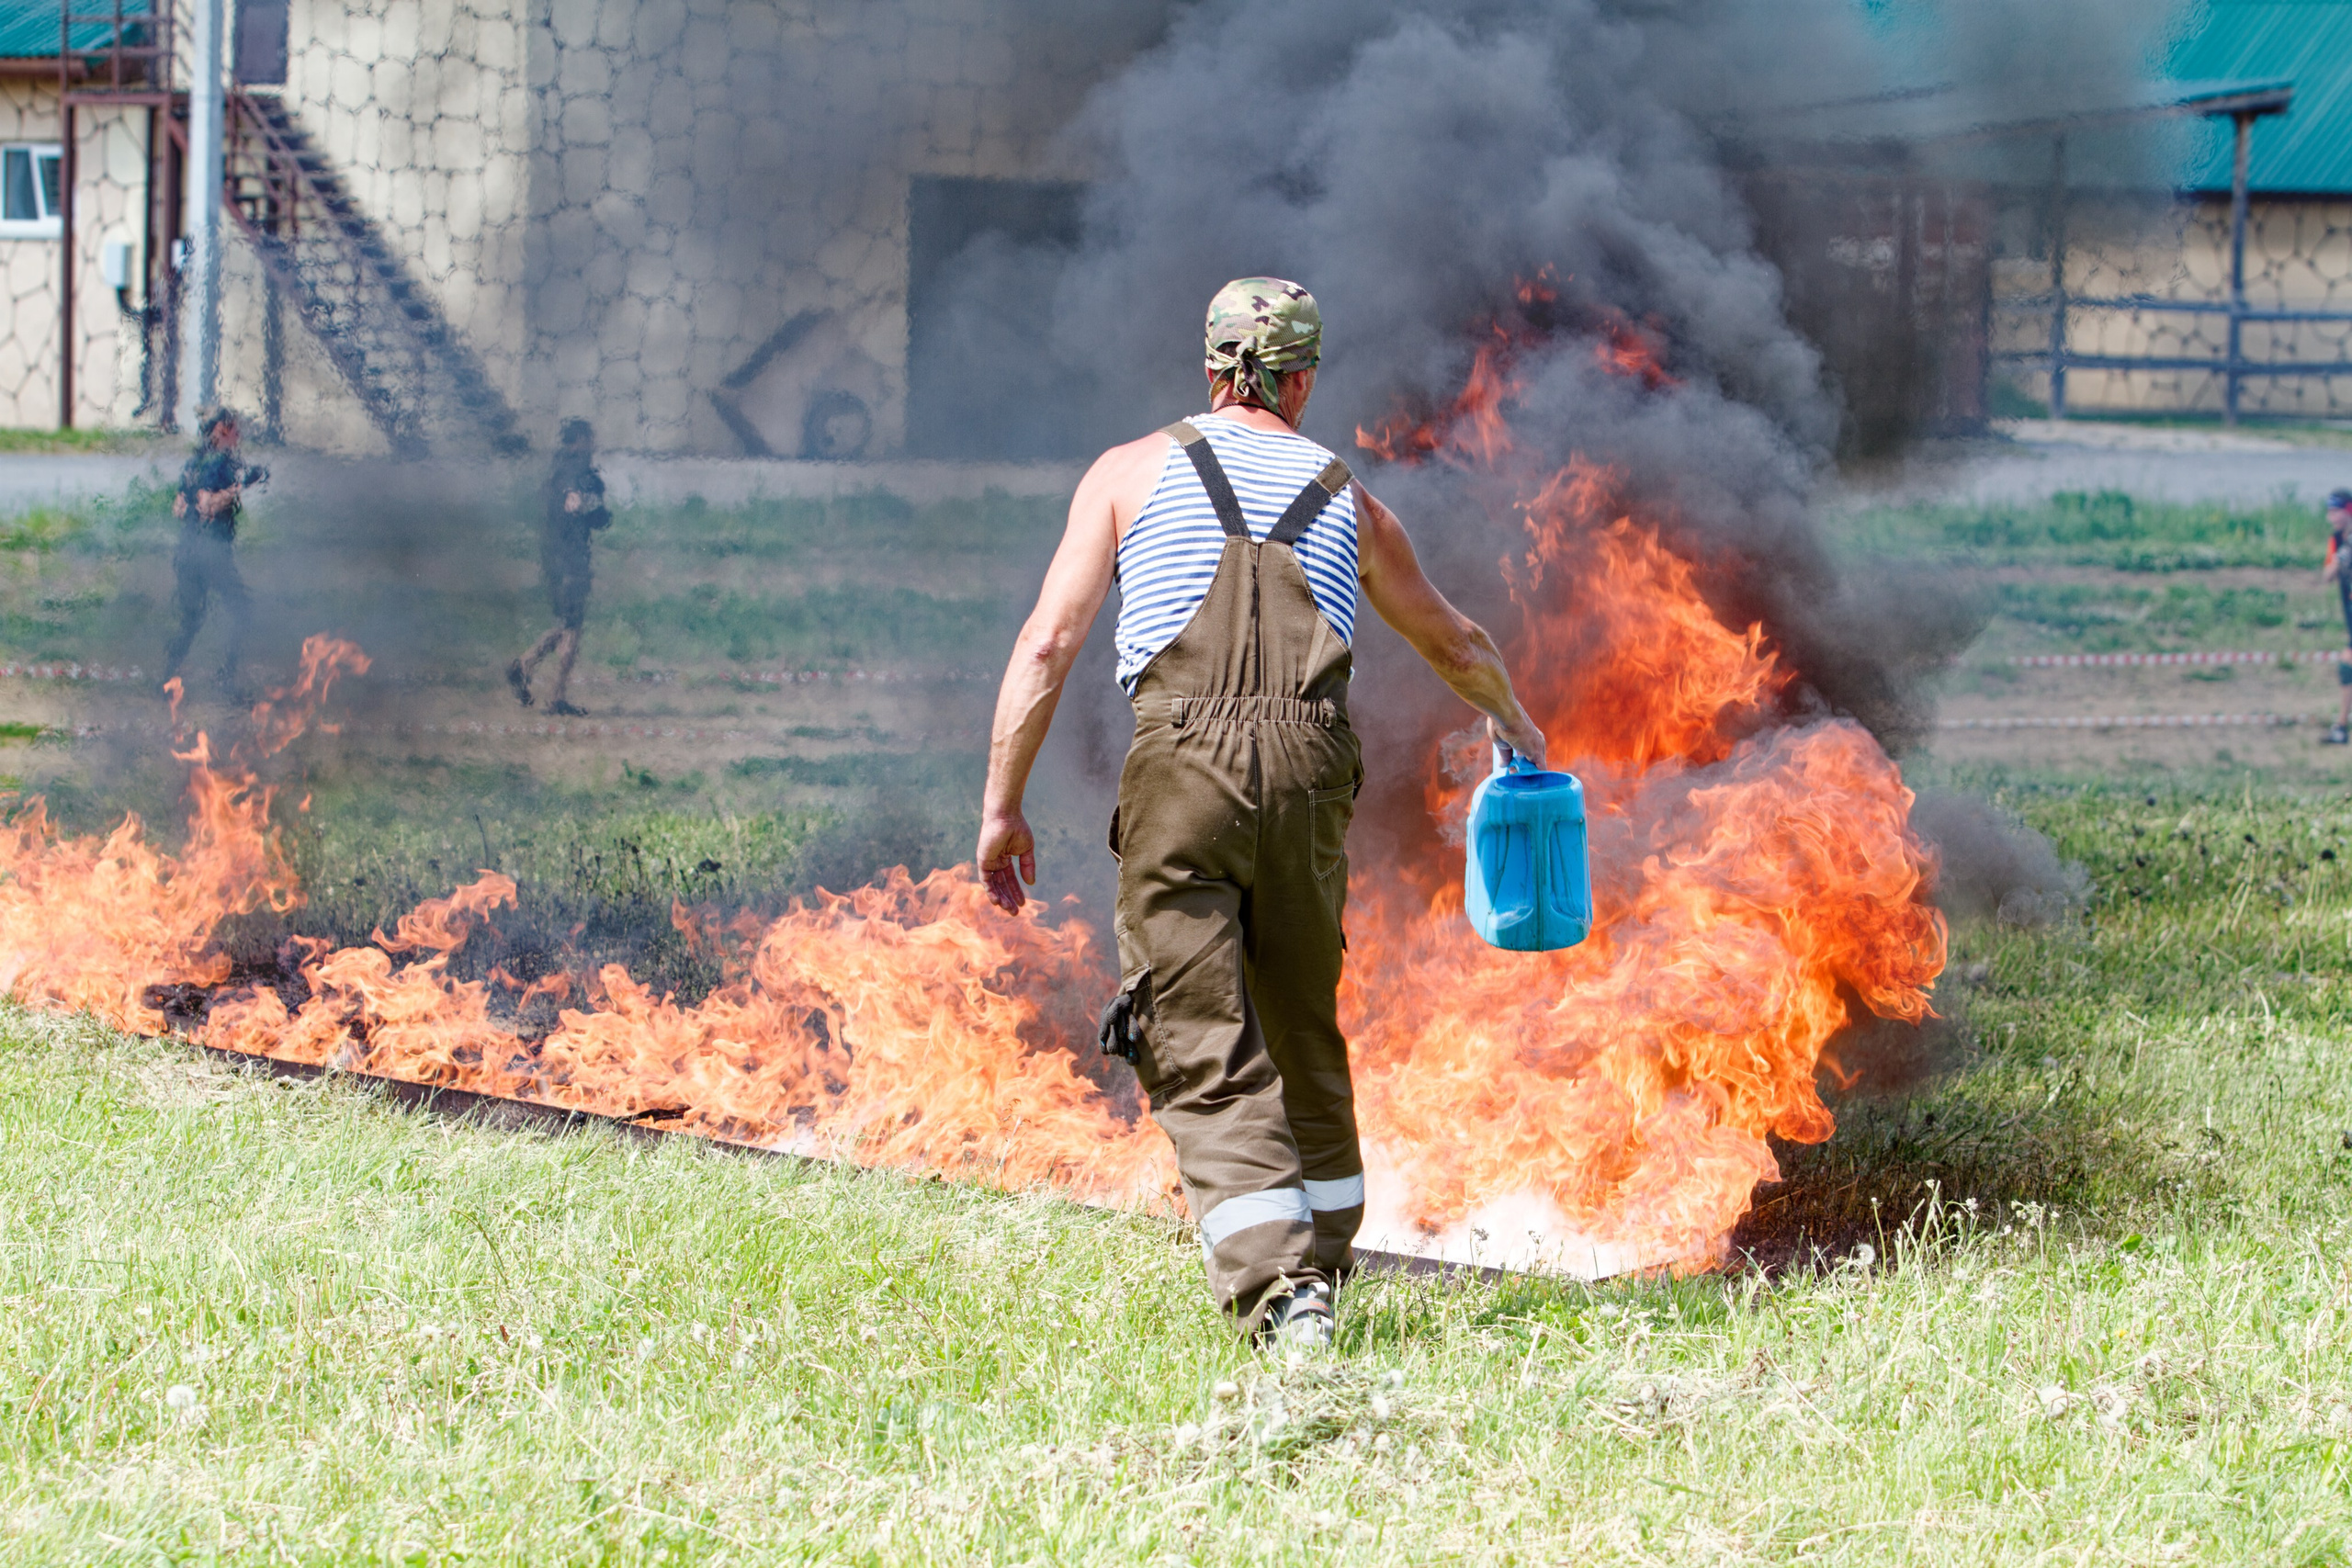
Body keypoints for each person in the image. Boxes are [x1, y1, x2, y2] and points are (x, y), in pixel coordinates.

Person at [976, 278, 1546, 1349]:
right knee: (1299, 1021)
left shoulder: (1125, 473)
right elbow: (1457, 643)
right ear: (1301, 379)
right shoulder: (1348, 494)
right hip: (1307, 768)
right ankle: (1325, 1259)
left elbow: (1045, 646)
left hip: (1181, 766)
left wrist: (1002, 805)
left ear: (1208, 369)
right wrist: (1520, 731)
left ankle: (1284, 1298)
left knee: (1196, 1033)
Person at [508, 418, 609, 716]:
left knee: (566, 626)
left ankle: (525, 669)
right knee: (571, 629)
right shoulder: (573, 471)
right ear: (577, 441)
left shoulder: (559, 471)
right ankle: (553, 695)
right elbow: (574, 505)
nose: (592, 444)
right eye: (588, 438)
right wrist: (587, 507)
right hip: (569, 561)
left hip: (557, 558)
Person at [164, 406, 263, 694]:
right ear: (216, 433)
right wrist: (241, 486)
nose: (235, 435)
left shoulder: (193, 463)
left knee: (192, 619)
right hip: (211, 554)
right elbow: (205, 505)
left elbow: (179, 508)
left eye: (235, 429)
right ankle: (226, 679)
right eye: (227, 429)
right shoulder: (219, 465)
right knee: (242, 611)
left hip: (187, 551)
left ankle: (166, 676)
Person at [2324, 488, 2352, 746]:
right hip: (2349, 610)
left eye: (2336, 511)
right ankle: (2341, 726)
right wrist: (2342, 557)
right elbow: (2327, 575)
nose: (2332, 516)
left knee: (2347, 664)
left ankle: (2342, 726)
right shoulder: (2337, 539)